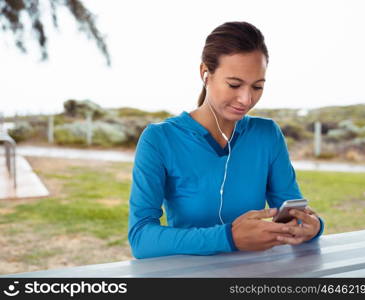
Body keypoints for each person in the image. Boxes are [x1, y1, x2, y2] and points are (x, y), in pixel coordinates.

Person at [128, 21, 324, 259]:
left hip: (258, 275)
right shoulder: (160, 139)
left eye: (257, 86)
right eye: (234, 84)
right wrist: (229, 238)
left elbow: (292, 211)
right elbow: (140, 238)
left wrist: (312, 226)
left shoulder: (267, 134)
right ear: (205, 74)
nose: (246, 99)